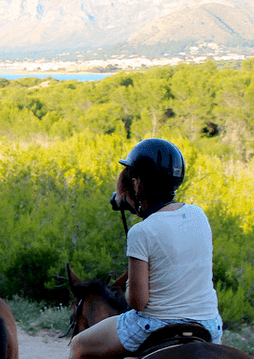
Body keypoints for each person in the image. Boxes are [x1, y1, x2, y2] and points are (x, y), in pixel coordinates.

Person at [68, 138, 223, 359]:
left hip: (154, 325)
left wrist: (130, 285)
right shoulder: (199, 215)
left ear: (138, 184)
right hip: (209, 325)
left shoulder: (142, 231)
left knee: (79, 345)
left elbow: (138, 302)